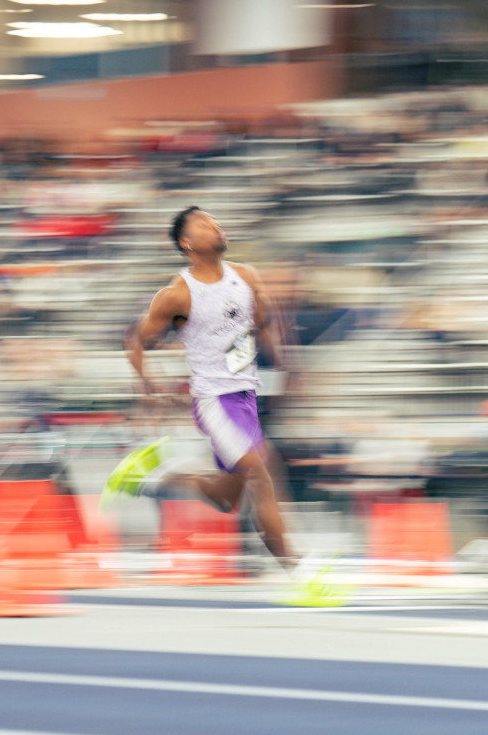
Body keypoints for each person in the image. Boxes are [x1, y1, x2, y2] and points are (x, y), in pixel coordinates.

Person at [104, 206, 323, 593]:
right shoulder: (177, 294)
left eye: (215, 221)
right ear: (188, 243)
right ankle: (301, 572)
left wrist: (290, 369)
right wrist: (150, 389)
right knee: (262, 472)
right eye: (205, 224)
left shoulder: (245, 276)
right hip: (215, 402)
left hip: (247, 399)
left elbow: (264, 324)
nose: (216, 226)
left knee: (225, 497)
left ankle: (150, 474)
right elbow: (135, 340)